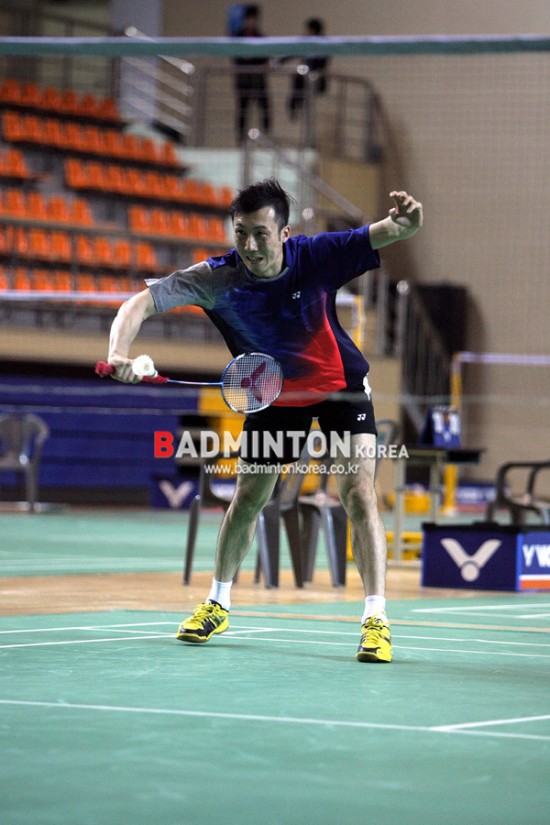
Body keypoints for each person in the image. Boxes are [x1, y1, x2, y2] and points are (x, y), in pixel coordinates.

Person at [105, 179, 423, 663]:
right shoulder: (217, 278)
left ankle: (375, 619)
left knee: (358, 493)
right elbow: (139, 303)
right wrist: (117, 353)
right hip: (274, 394)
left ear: (284, 233)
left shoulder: (316, 256)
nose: (250, 246)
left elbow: (387, 231)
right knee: (249, 497)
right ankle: (217, 603)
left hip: (339, 388)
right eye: (241, 234)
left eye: (260, 234)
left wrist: (407, 225)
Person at [232, 4, 271, 142]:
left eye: (253, 19)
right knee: (243, 109)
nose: (251, 22)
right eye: (248, 19)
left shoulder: (261, 37)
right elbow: (236, 57)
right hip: (244, 78)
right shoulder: (237, 37)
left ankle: (266, 137)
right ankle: (240, 139)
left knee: (265, 107)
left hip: (258, 78)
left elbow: (265, 57)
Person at [286, 17, 330, 120]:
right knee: (298, 80)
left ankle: (297, 106)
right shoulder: (305, 41)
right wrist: (277, 62)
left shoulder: (324, 43)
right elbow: (292, 52)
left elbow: (323, 62)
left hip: (317, 77)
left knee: (304, 79)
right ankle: (294, 107)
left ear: (314, 30)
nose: (307, 32)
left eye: (309, 30)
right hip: (306, 75)